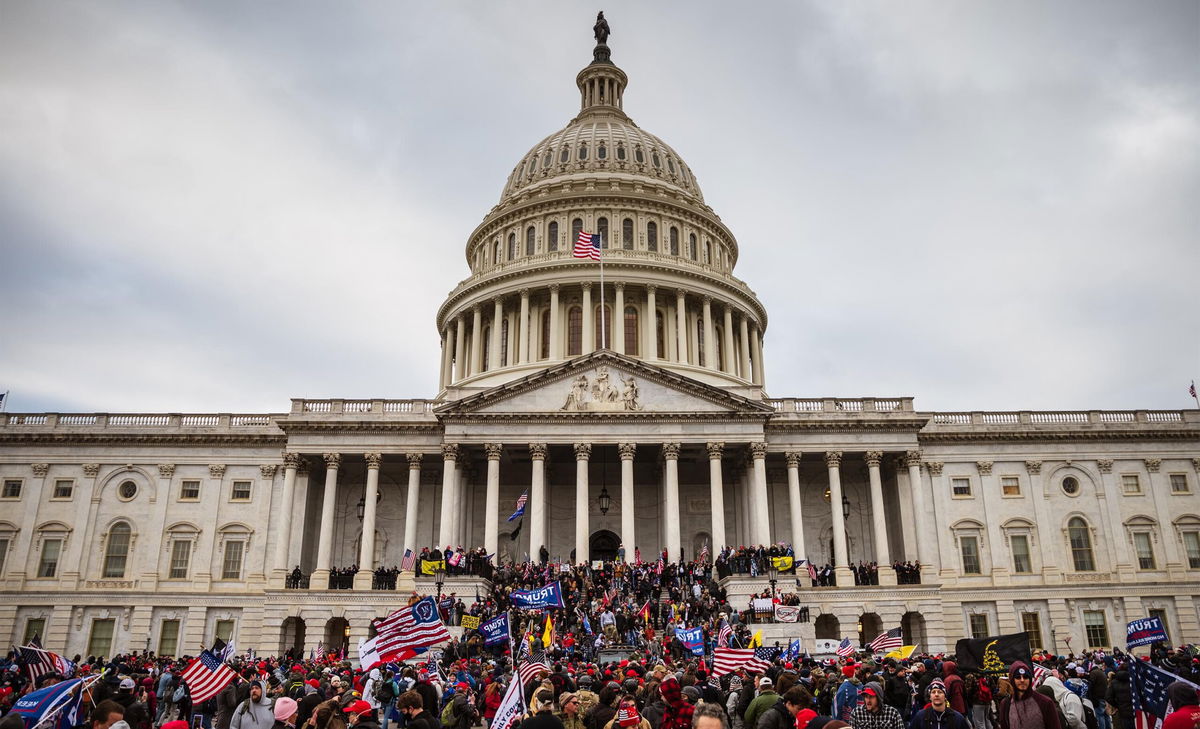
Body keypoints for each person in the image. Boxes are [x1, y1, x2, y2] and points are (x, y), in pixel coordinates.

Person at [998, 663, 1061, 729]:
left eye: (1025, 677)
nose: (1022, 680)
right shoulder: (1005, 704)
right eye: (1018, 677)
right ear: (1012, 680)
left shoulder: (1045, 702)